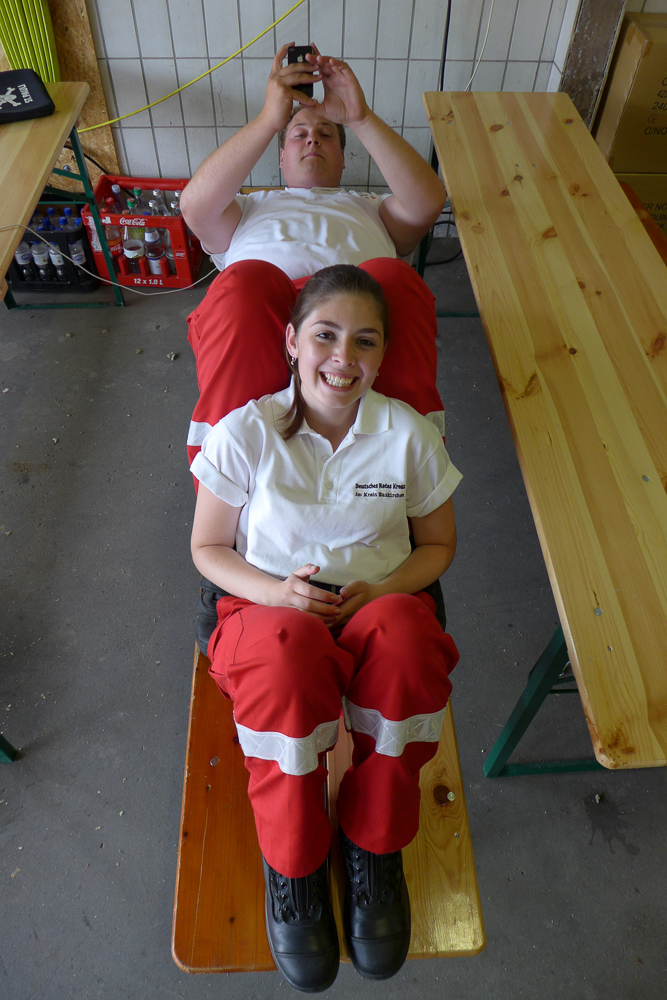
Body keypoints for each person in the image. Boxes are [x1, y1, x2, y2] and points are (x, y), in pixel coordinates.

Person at [190, 265, 461, 992]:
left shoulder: (406, 435)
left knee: (406, 646)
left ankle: (374, 845)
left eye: (365, 341)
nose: (344, 357)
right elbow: (208, 548)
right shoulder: (246, 432)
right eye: (325, 335)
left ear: (382, 353)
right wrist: (277, 594)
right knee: (285, 661)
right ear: (290, 341)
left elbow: (437, 545)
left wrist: (387, 588)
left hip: (376, 602)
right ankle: (295, 864)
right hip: (268, 610)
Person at [181, 43, 448, 476]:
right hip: (264, 311)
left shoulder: (370, 207)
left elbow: (428, 203)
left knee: (392, 278)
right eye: (298, 134)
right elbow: (194, 205)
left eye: (326, 134)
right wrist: (269, 120)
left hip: (355, 317)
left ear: (343, 159)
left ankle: (411, 467)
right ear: (281, 157)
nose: (312, 139)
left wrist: (360, 118)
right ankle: (227, 476)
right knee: (244, 281)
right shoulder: (247, 207)